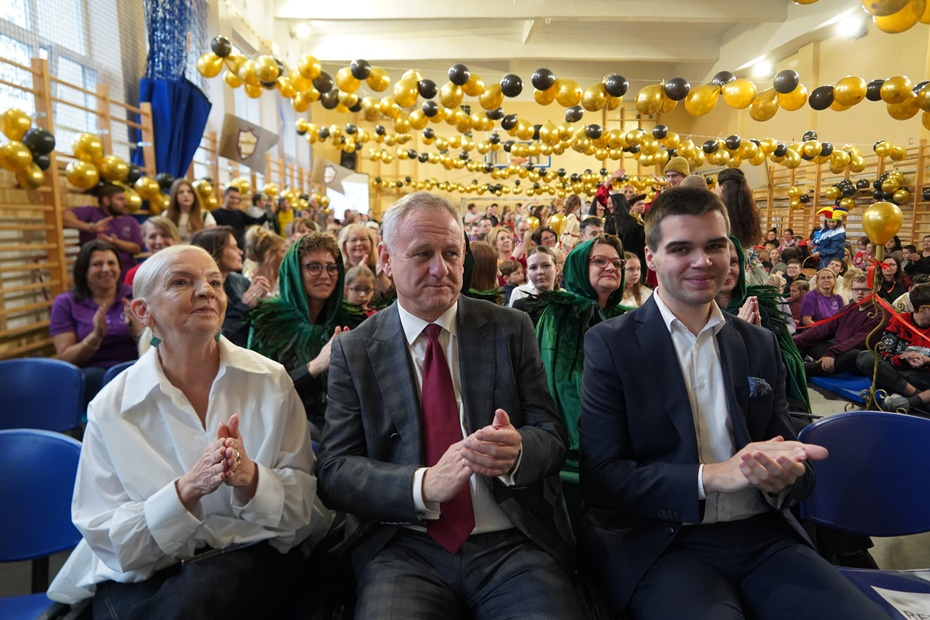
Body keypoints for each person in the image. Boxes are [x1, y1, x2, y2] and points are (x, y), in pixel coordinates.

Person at [577, 187, 883, 619]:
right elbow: (602, 478)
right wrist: (712, 477)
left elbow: (792, 461)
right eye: (681, 249)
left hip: (764, 537)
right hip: (666, 541)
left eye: (715, 246)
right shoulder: (612, 344)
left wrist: (784, 476)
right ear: (650, 258)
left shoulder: (759, 343)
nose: (702, 261)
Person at [317, 191, 583, 618]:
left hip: (510, 543)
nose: (440, 269)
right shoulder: (357, 349)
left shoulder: (510, 328)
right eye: (423, 254)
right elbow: (334, 472)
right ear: (385, 259)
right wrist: (422, 486)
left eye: (452, 254)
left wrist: (518, 451)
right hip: (403, 545)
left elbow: (552, 435)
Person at [47, 244, 328, 613]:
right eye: (181, 282)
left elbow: (304, 513)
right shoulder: (111, 407)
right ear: (143, 311)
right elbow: (110, 542)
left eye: (215, 282)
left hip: (250, 563)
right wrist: (187, 490)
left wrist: (251, 479)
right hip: (146, 578)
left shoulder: (270, 382)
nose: (206, 291)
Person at [245, 233, 361, 432]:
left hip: (345, 426)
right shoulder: (269, 320)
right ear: (295, 272)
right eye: (314, 267)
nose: (325, 275)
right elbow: (259, 390)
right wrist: (314, 366)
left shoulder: (352, 319)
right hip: (285, 426)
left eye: (331, 267)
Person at [529, 235, 626, 472]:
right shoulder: (562, 314)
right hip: (580, 445)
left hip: (624, 440)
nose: (611, 267)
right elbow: (561, 385)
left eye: (617, 263)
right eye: (600, 261)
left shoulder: (624, 316)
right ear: (580, 267)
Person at [49, 240, 138, 405]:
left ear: (119, 268)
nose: (106, 269)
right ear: (83, 271)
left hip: (133, 369)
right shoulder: (66, 302)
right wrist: (95, 336)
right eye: (97, 264)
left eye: (111, 263)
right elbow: (66, 359)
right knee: (94, 378)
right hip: (92, 376)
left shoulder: (135, 296)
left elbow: (157, 344)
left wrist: (138, 330)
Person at [190, 226, 270, 348]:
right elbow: (213, 337)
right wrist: (244, 306)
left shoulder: (241, 281)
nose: (241, 252)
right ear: (214, 254)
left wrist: (262, 302)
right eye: (233, 248)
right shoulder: (198, 291)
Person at [856, 283, 930, 413]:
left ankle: (910, 402)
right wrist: (903, 359)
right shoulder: (900, 321)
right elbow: (885, 354)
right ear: (923, 309)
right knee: (866, 357)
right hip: (897, 374)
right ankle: (917, 397)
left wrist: (926, 360)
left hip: (924, 376)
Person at [795, 272, 884, 377]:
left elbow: (860, 340)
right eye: (856, 289)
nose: (860, 293)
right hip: (839, 347)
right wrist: (794, 340)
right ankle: (793, 366)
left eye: (866, 289)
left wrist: (832, 352)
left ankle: (800, 373)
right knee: (807, 339)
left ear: (877, 288)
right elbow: (826, 328)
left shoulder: (881, 313)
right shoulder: (850, 307)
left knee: (855, 355)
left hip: (856, 355)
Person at [61, 183, 143, 275]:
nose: (126, 203)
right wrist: (91, 227)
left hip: (125, 272)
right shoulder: (91, 212)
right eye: (120, 199)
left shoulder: (131, 221)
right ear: (106, 200)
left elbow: (137, 249)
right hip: (94, 273)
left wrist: (115, 242)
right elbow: (64, 219)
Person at [123, 216, 181, 287]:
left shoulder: (189, 269)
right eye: (152, 237)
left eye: (165, 235)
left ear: (176, 238)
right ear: (145, 241)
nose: (159, 241)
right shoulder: (134, 274)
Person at [211, 186, 268, 253]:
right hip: (225, 250)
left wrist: (267, 214)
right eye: (232, 197)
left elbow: (255, 222)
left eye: (237, 198)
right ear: (224, 197)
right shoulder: (215, 214)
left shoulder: (239, 213)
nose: (235, 201)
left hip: (242, 248)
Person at [165, 178, 216, 243]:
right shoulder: (166, 215)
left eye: (189, 192)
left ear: (194, 195)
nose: (186, 195)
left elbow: (212, 239)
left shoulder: (204, 215)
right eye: (181, 192)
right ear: (175, 196)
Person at [243, 226, 286, 295]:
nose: (286, 255)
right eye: (283, 251)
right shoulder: (247, 282)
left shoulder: (285, 278)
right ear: (270, 255)